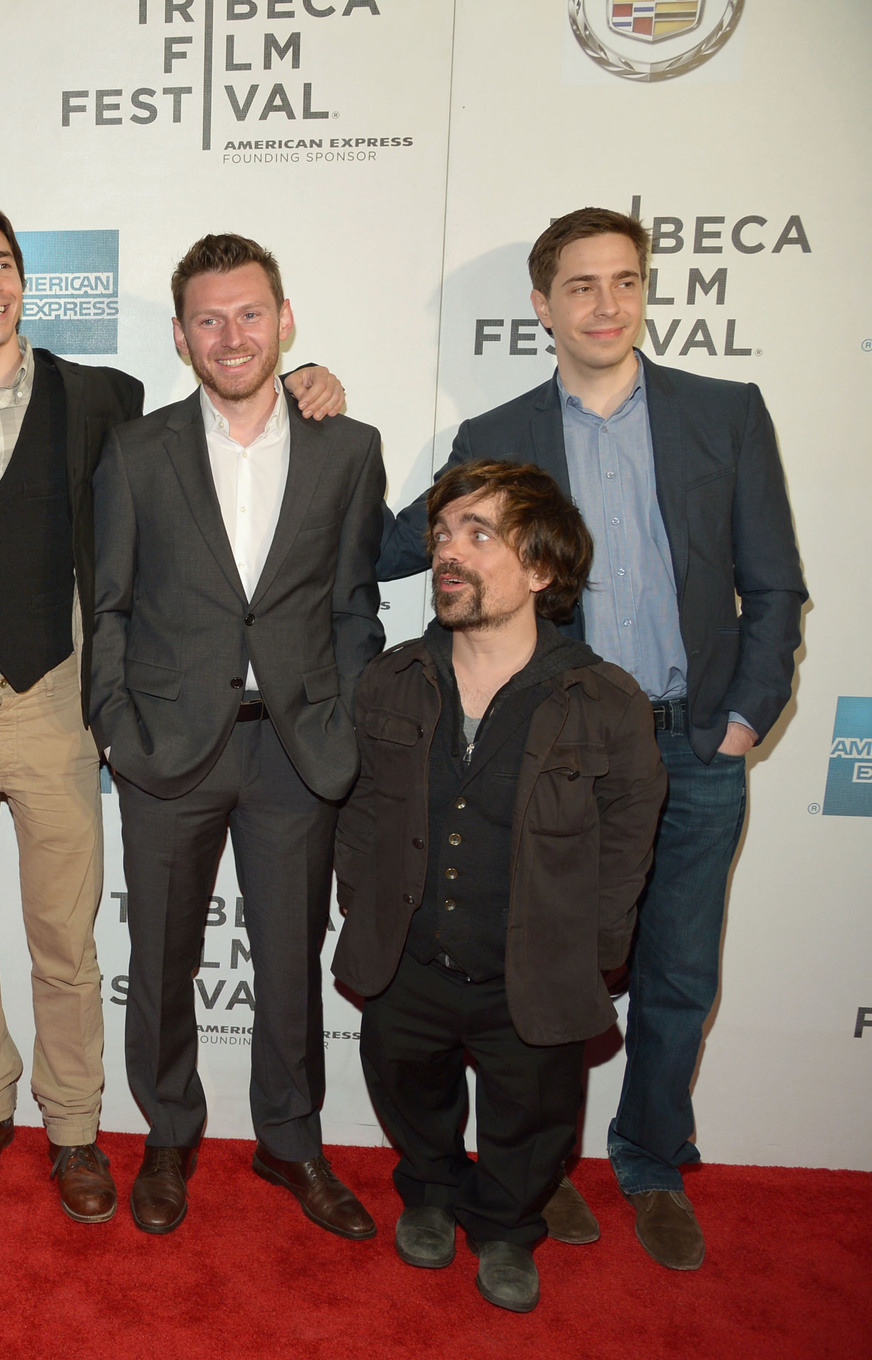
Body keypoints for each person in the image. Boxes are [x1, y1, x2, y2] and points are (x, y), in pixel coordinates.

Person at [0, 200, 347, 1226]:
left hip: (56, 701)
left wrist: (311, 381)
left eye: (1, 262)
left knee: (65, 936)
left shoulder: (107, 400)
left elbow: (226, 433)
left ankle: (73, 1126)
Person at [377, 207, 806, 1268]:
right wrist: (306, 429)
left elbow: (773, 583)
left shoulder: (725, 413)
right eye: (579, 286)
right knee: (555, 973)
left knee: (676, 972)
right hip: (558, 756)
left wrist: (740, 723)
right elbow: (392, 547)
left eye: (622, 281)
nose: (604, 304)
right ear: (540, 306)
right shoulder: (497, 436)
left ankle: (652, 1158)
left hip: (694, 744)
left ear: (642, 291)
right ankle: (542, 1172)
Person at [90, 233, 385, 1241]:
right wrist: (115, 730)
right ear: (179, 334)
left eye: (248, 313)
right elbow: (108, 607)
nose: (230, 335)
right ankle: (168, 1134)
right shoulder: (135, 452)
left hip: (295, 752)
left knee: (292, 963)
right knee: (162, 956)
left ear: (284, 318)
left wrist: (341, 721)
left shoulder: (347, 446)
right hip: (168, 748)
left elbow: (351, 606)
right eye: (208, 319)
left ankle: (290, 1141)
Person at [335, 460, 665, 1312]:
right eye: (444, 534)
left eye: (480, 535)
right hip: (410, 957)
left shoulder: (605, 700)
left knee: (533, 1117)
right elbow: (364, 810)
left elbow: (628, 841)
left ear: (541, 568)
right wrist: (363, 912)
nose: (450, 552)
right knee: (410, 1086)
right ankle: (434, 1193)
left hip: (536, 966)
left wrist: (595, 956)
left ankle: (510, 1226)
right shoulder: (395, 677)